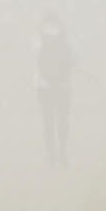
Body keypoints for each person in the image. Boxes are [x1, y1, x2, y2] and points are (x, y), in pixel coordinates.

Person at [35, 15, 75, 171]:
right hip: (63, 87)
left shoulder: (39, 39)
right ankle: (62, 153)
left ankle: (52, 156)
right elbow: (74, 60)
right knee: (62, 120)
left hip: (44, 88)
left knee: (48, 121)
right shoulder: (65, 40)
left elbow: (37, 62)